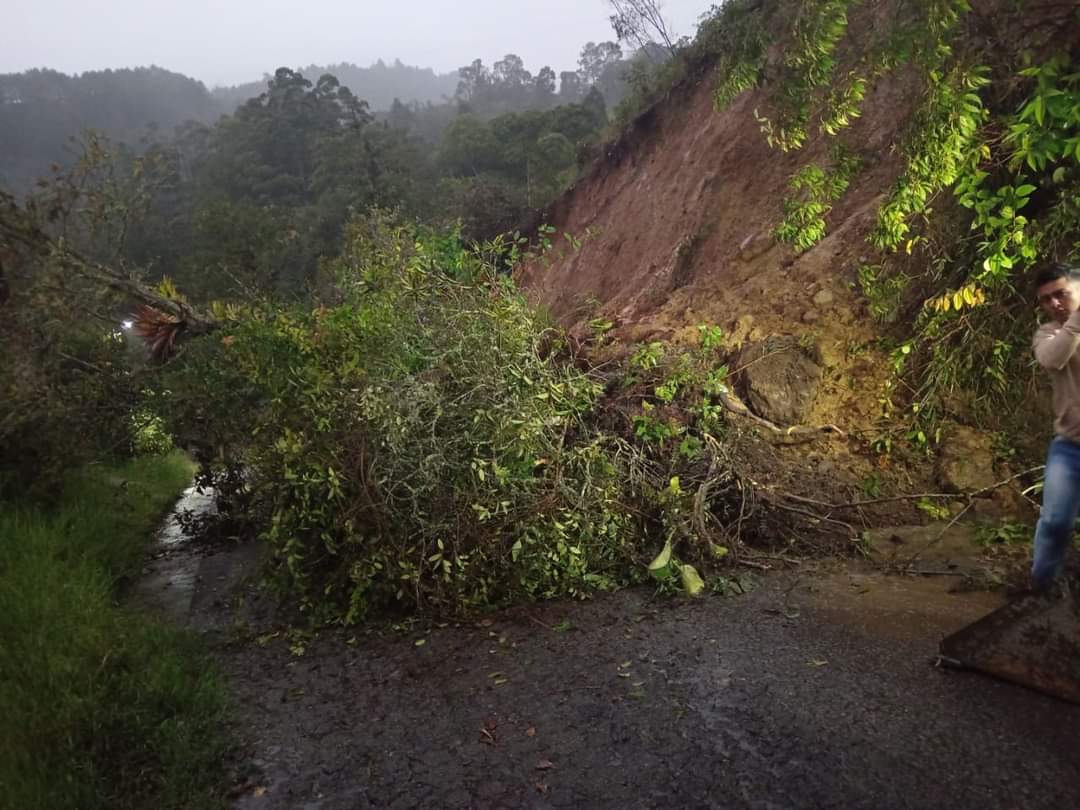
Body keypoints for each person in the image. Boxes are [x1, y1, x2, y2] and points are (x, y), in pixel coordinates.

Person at [1031, 262, 1080, 590]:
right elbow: (1053, 358)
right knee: (1054, 523)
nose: (1054, 304)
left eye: (1061, 294)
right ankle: (1038, 592)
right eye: (1046, 300)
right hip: (1070, 447)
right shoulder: (1048, 333)